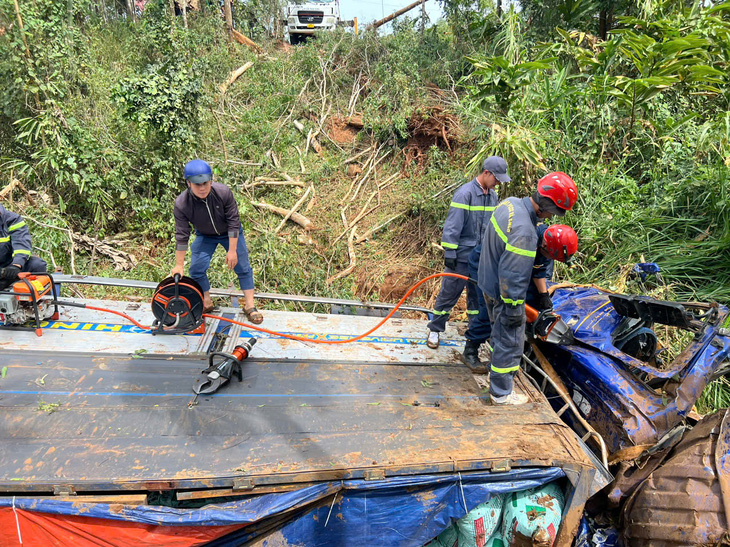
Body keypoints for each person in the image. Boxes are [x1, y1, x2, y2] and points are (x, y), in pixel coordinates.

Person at [478, 172, 578, 405]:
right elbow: (513, 276)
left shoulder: (510, 204)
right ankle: (501, 394)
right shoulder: (525, 233)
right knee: (510, 339)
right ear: (548, 207)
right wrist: (515, 310)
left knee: (498, 334)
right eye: (556, 212)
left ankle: (496, 375)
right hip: (504, 293)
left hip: (488, 282)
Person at [426, 156, 510, 372]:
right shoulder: (465, 193)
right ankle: (435, 329)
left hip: (481, 259)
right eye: (496, 179)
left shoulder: (492, 197)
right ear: (487, 173)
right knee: (449, 293)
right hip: (461, 256)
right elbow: (453, 224)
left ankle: (473, 332)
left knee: (476, 298)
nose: (498, 183)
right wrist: (450, 250)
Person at [171, 159, 263, 324]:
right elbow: (182, 234)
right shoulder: (182, 204)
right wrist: (179, 264)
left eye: (205, 183)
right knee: (196, 268)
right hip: (205, 235)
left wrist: (232, 250)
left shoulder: (223, 193)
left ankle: (250, 306)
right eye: (197, 184)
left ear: (211, 180)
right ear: (188, 183)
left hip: (230, 232)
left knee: (242, 266)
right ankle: (206, 301)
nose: (202, 188)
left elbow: (234, 222)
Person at [527, 223, 578, 311]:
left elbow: (539, 269)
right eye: (552, 257)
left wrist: (544, 295)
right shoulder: (527, 241)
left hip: (529, 266)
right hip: (509, 270)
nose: (551, 259)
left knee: (537, 298)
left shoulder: (549, 245)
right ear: (544, 245)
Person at [0, 204, 47, 291]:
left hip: (10, 264)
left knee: (37, 265)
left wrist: (16, 265)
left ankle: (38, 300)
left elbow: (21, 243)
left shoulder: (12, 219)